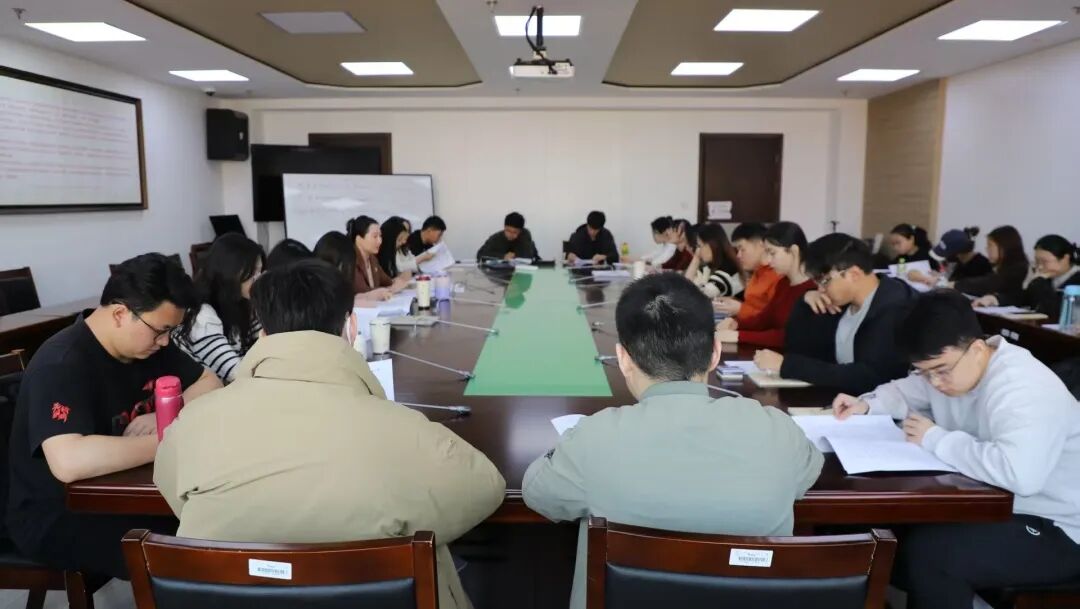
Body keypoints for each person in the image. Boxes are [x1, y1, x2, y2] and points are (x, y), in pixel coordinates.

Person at [155, 259, 505, 609]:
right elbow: (485, 486)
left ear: (263, 336)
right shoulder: (403, 431)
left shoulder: (193, 422)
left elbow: (174, 491)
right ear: (351, 328)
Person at [522, 273, 823, 609]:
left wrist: (572, 443)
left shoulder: (593, 439)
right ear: (715, 352)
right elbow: (809, 472)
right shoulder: (777, 431)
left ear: (623, 359)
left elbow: (537, 493)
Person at [832, 290, 1080, 609]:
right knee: (883, 536)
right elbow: (906, 391)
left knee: (933, 556)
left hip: (1058, 525)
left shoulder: (1022, 387)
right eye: (924, 372)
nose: (935, 382)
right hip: (999, 506)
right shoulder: (953, 367)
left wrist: (936, 438)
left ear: (977, 349)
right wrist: (866, 405)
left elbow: (1020, 475)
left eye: (940, 370)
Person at [6, 253, 222, 579]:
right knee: (186, 554)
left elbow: (210, 382)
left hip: (122, 493)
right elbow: (69, 461)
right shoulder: (61, 363)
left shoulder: (150, 346)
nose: (165, 341)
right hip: (58, 513)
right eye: (160, 331)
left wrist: (164, 414)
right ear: (120, 313)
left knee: (215, 521)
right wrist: (165, 437)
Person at [761, 233, 916, 395]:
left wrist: (789, 366)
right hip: (837, 399)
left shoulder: (896, 307)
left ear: (854, 274)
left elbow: (871, 377)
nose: (820, 289)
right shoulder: (841, 303)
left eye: (824, 281)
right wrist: (804, 301)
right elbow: (797, 349)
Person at [175, 234, 265, 383]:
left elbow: (266, 343)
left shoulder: (242, 301)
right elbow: (236, 373)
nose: (258, 279)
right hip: (204, 391)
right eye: (253, 273)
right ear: (230, 273)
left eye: (260, 271)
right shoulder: (202, 317)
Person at [716, 222, 814, 349]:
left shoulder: (811, 290)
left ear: (794, 251)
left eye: (772, 253)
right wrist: (737, 324)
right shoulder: (783, 283)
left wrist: (739, 336)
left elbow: (789, 336)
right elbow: (765, 319)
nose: (768, 260)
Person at [974, 235, 1080, 319]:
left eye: (1044, 261)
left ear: (1065, 259)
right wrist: (996, 299)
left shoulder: (1076, 280)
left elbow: (1053, 309)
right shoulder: (1048, 277)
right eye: (1037, 261)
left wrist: (1039, 282)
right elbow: (1024, 297)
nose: (1039, 267)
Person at [713, 222, 781, 319]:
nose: (738, 255)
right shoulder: (757, 272)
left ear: (761, 245)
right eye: (737, 250)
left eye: (742, 249)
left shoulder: (776, 275)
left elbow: (773, 319)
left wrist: (740, 309)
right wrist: (734, 303)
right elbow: (753, 305)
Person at [951, 225, 1029, 299]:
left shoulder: (1018, 269)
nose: (987, 249)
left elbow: (988, 283)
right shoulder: (998, 267)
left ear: (1004, 247)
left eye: (990, 245)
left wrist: (956, 285)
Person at [348, 215, 410, 300]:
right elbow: (363, 291)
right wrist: (390, 289)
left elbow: (387, 281)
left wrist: (396, 282)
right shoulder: (350, 259)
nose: (380, 241)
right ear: (358, 239)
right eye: (375, 236)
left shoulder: (372, 259)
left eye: (380, 236)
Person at [910, 227, 992, 287]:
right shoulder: (959, 262)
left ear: (958, 253)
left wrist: (939, 281)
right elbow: (950, 279)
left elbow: (963, 286)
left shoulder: (982, 266)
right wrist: (940, 276)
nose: (946, 260)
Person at [685, 222, 743, 298]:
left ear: (712, 245)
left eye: (699, 246)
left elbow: (701, 295)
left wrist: (696, 258)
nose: (698, 251)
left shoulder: (729, 267)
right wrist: (696, 258)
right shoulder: (709, 266)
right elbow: (685, 285)